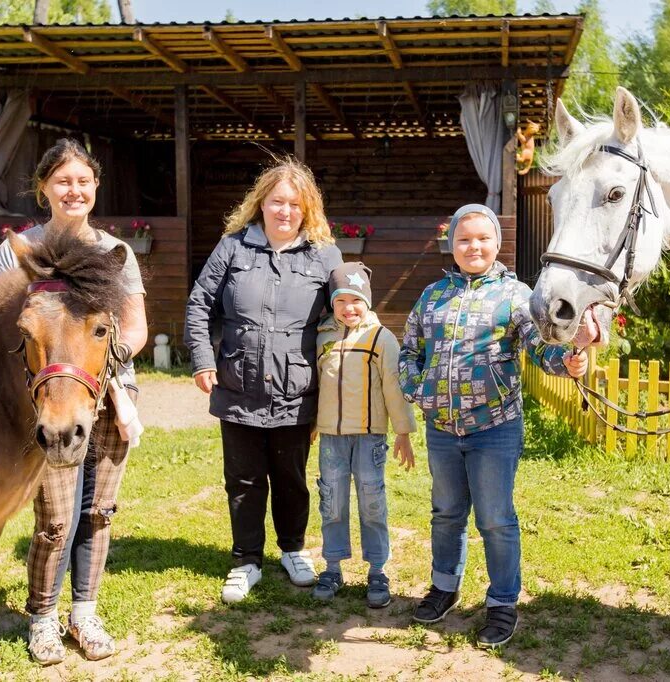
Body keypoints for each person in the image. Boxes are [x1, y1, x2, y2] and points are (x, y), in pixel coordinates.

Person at [399, 203, 588, 649]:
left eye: (482, 239)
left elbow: (539, 348)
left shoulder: (515, 295)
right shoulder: (432, 296)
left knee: (495, 519)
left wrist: (567, 360)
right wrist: (419, 389)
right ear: (452, 246)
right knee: (446, 513)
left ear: (496, 245)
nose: (473, 247)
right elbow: (409, 350)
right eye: (464, 240)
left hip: (494, 428)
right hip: (442, 429)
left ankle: (502, 603)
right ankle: (444, 587)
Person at [0, 138, 149, 664]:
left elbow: (134, 328)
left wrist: (114, 379)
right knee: (55, 518)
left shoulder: (114, 253)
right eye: (63, 181)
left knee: (98, 512)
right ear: (44, 189)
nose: (74, 190)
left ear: (96, 187)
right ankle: (42, 619)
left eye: (83, 181)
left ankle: (84, 613)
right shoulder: (20, 250)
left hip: (104, 398)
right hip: (51, 402)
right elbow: (1, 326)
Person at [184, 159, 343, 604]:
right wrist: (201, 358)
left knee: (291, 477)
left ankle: (292, 550)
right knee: (244, 478)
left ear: (307, 208)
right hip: (238, 385)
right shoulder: (233, 247)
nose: (285, 211)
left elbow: (345, 309)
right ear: (261, 204)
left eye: (294, 203)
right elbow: (200, 304)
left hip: (296, 389)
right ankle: (246, 560)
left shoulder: (324, 254)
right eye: (277, 202)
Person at [310, 262, 416, 608]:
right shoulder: (323, 337)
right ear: (332, 304)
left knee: (372, 503)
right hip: (332, 439)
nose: (349, 308)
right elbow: (316, 384)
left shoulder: (381, 338)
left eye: (356, 300)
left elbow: (393, 387)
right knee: (333, 502)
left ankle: (377, 569)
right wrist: (312, 424)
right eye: (341, 301)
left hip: (369, 437)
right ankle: (333, 566)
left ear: (367, 301)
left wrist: (402, 431)